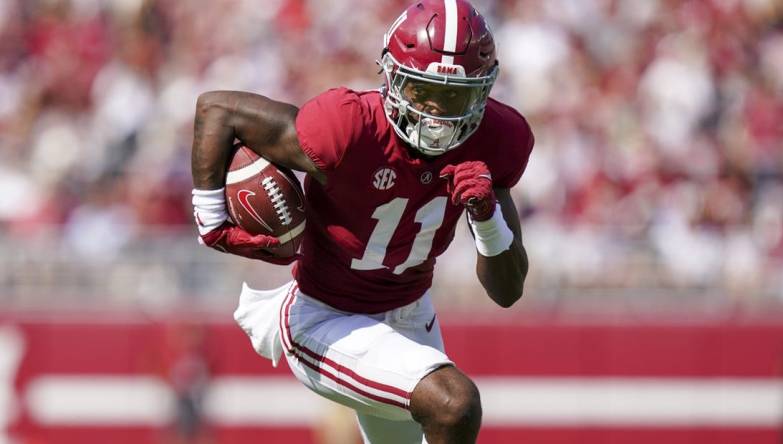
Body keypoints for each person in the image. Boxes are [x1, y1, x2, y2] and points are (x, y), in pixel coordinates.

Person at [190, 1, 533, 442]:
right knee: (454, 404)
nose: (434, 112)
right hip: (324, 315)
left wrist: (485, 217)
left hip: (412, 315)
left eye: (453, 96)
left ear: (482, 92)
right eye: (421, 90)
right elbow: (218, 109)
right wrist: (211, 220)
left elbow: (507, 291)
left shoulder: (498, 140)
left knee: (445, 412)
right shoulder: (349, 127)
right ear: (391, 78)